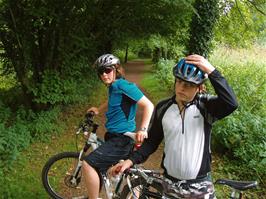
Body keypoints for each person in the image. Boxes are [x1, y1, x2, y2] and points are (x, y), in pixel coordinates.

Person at [110, 54, 238, 198]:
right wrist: (130, 161)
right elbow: (151, 142)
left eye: (189, 85)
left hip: (200, 187)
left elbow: (231, 103)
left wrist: (211, 71)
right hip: (170, 185)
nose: (182, 88)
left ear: (199, 87)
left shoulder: (206, 107)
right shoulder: (163, 108)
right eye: (179, 82)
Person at [82, 54, 154, 199]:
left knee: (88, 164)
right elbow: (112, 100)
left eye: (107, 70)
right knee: (117, 171)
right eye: (101, 71)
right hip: (114, 136)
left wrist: (143, 129)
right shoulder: (113, 86)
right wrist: (99, 109)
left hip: (121, 140)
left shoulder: (123, 85)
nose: (104, 74)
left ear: (116, 69)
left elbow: (148, 105)